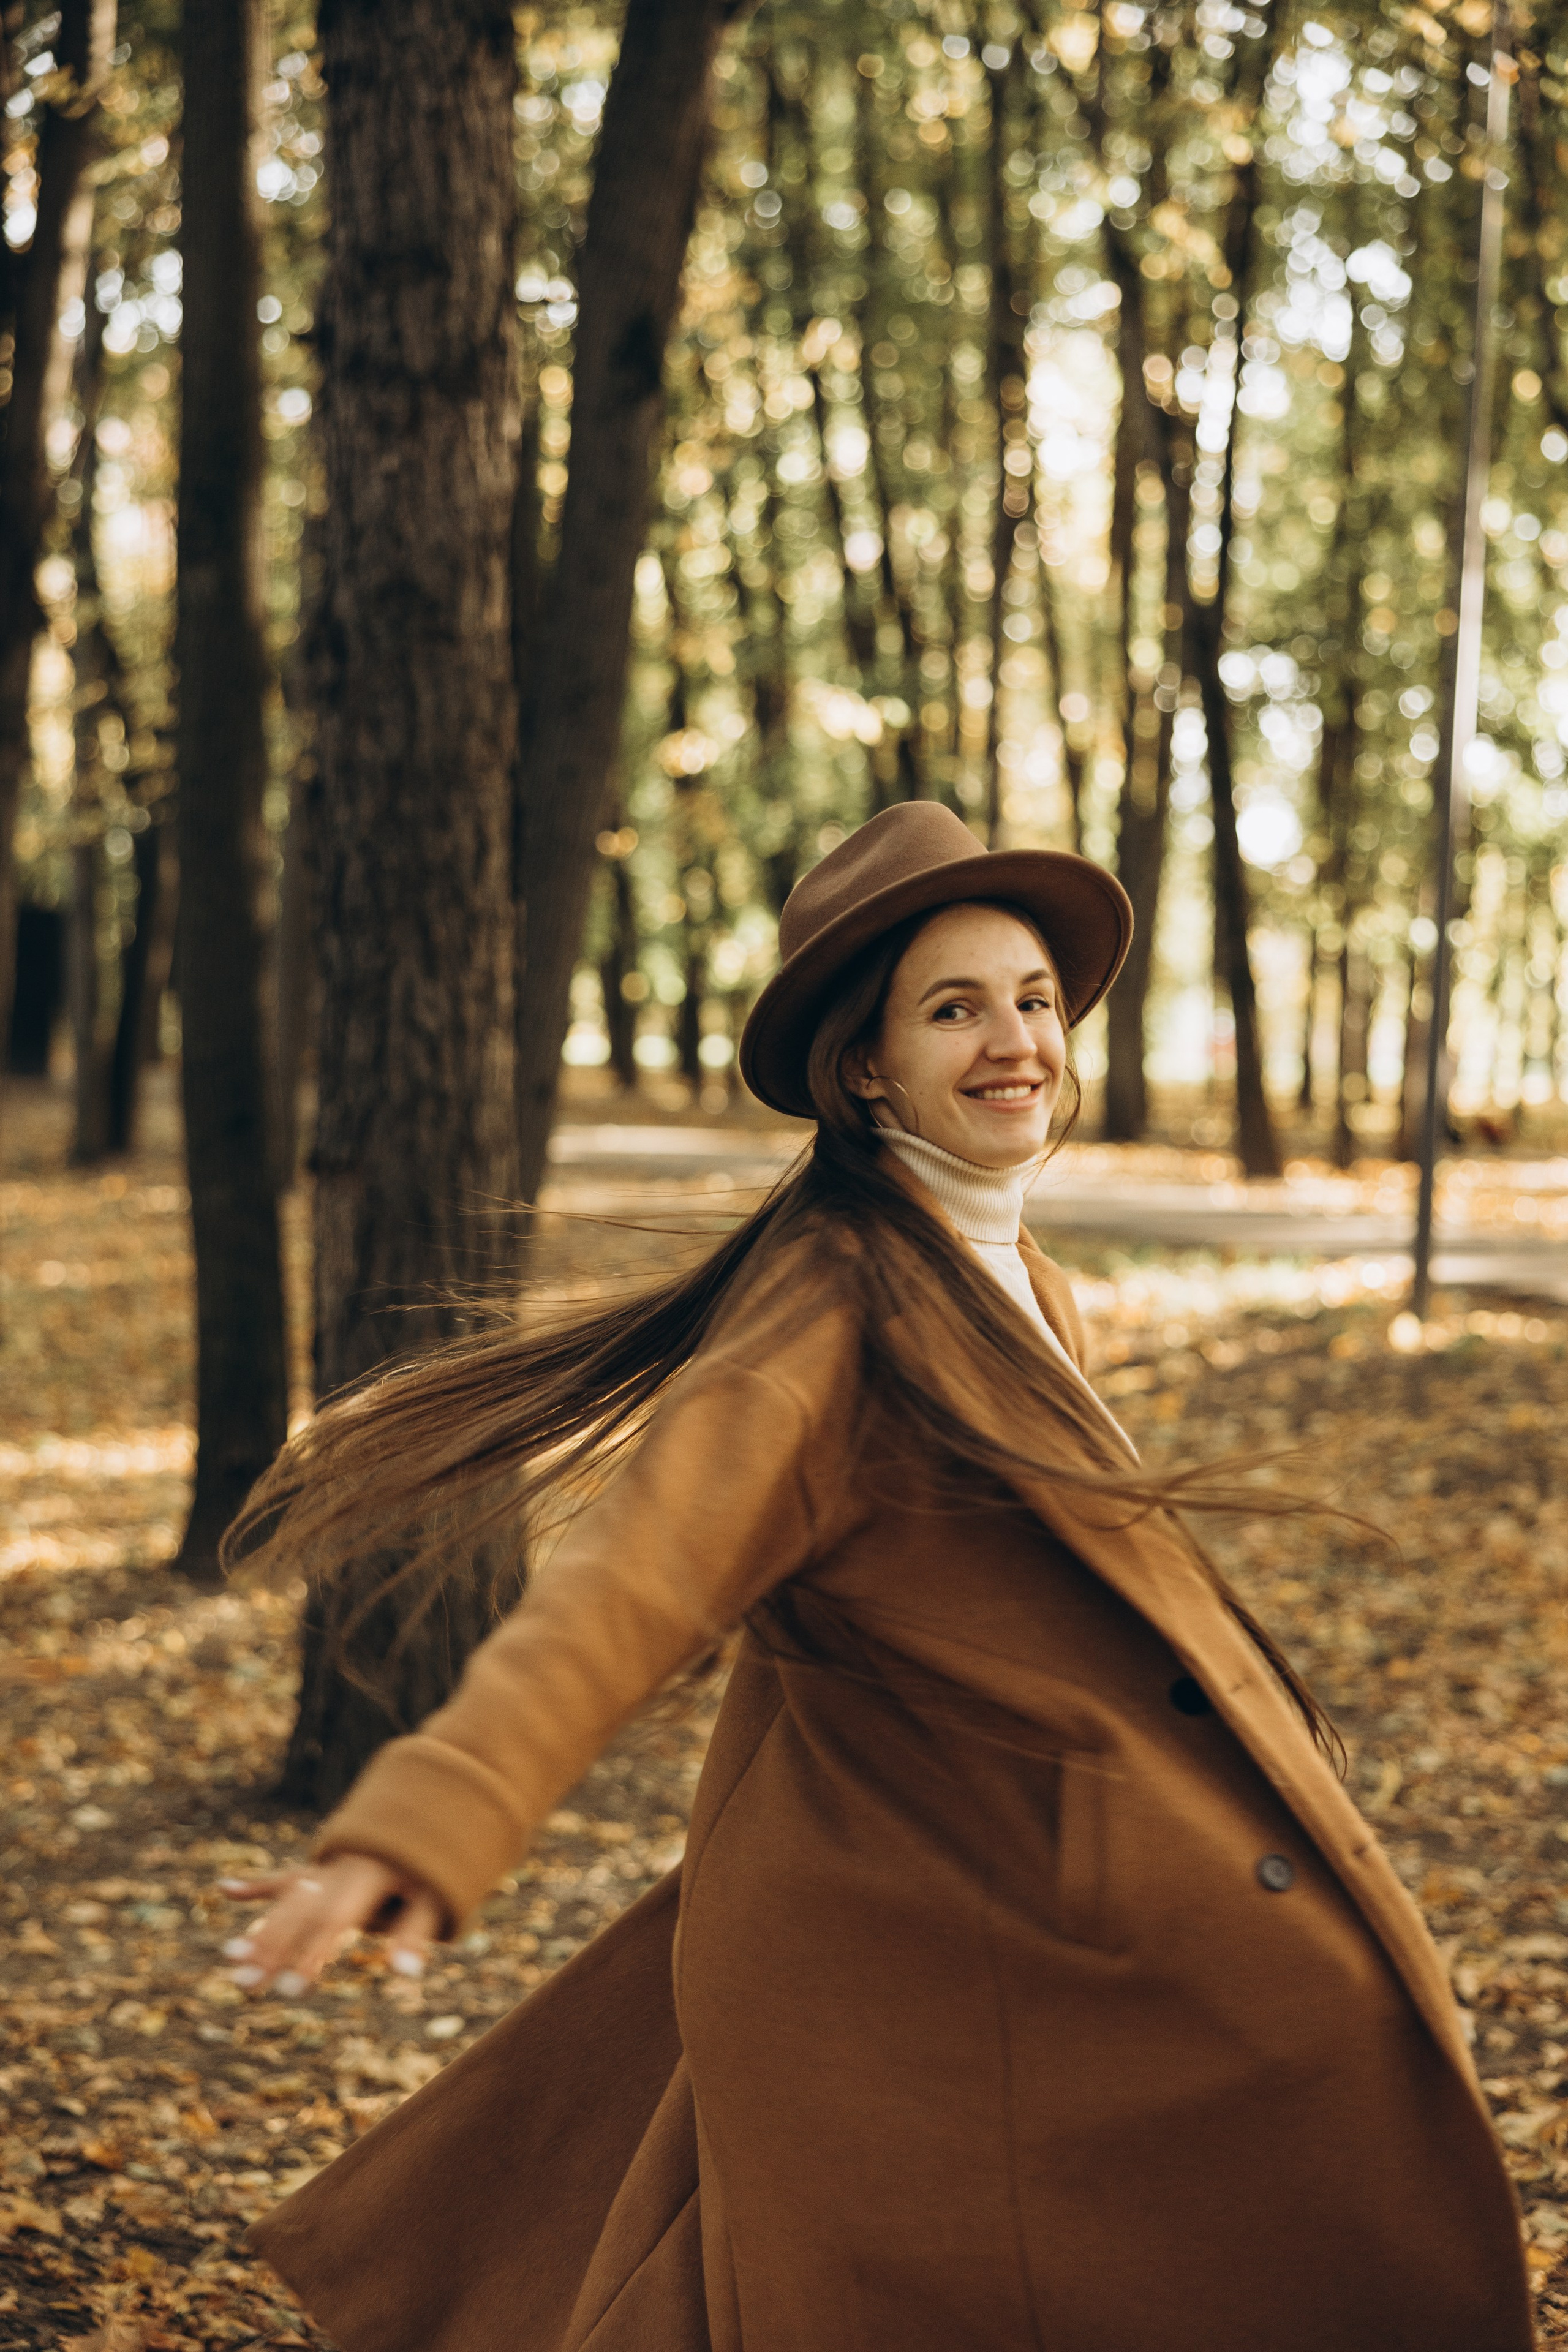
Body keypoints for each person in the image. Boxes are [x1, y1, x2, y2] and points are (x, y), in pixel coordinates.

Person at [219, 804, 1531, 2352]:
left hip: (951, 1882)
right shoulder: (831, 1308)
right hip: (960, 1934)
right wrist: (434, 1817)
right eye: (954, 1010)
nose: (1015, 1043)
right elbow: (633, 1579)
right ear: (866, 1068)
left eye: (1032, 999)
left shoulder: (1010, 1271)